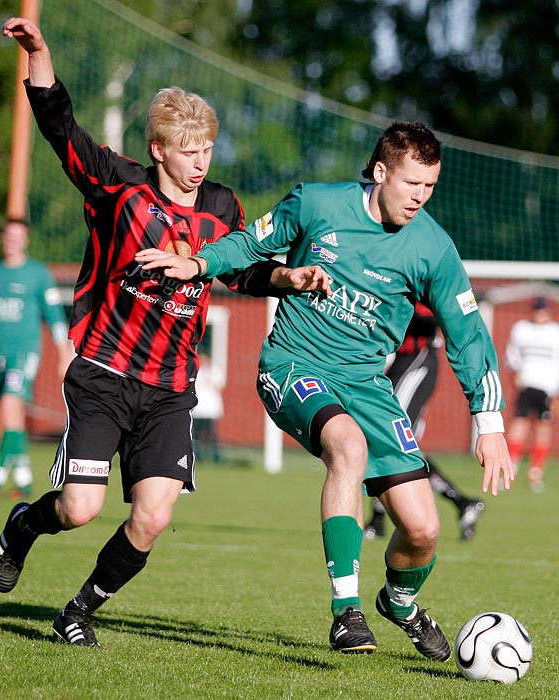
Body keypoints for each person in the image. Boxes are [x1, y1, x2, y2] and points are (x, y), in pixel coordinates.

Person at [0, 17, 328, 649]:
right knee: (79, 510)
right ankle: (21, 529)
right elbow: (58, 126)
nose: (200, 163)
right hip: (105, 374)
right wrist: (40, 53)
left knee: (152, 516)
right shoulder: (119, 185)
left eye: (206, 150)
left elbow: (243, 272)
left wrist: (291, 278)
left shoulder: (222, 207)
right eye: (187, 151)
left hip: (171, 388)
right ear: (158, 149)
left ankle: (78, 611)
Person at [137, 121, 514, 661]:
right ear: (380, 171)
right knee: (349, 448)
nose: (419, 198)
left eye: (429, 187)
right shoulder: (317, 203)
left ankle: (400, 604)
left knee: (424, 529)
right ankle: (346, 611)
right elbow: (248, 243)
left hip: (366, 383)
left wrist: (490, 421)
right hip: (293, 364)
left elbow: (468, 333)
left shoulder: (433, 247)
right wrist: (198, 262)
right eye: (411, 184)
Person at [0, 218, 70, 499]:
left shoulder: (37, 273)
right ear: (2, 239)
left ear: (26, 240)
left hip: (25, 354)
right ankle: (23, 480)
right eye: (9, 236)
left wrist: (63, 354)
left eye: (18, 236)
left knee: (10, 408)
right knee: (11, 418)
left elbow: (54, 316)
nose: (13, 241)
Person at [364, 303, 485, 542]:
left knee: (391, 438)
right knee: (385, 441)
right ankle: (460, 501)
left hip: (418, 360)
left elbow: (435, 315)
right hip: (402, 362)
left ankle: (380, 519)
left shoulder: (419, 282)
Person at [505, 296, 559, 492]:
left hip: (548, 388)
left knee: (543, 427)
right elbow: (512, 355)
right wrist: (514, 375)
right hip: (527, 384)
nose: (539, 314)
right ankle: (511, 467)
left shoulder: (555, 332)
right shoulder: (521, 328)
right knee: (519, 423)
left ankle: (535, 472)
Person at [192, 352, 225, 462]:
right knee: (196, 436)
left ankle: (216, 457)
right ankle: (197, 456)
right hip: (197, 410)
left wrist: (208, 377)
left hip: (210, 411)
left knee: (212, 436)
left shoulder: (214, 371)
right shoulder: (195, 371)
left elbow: (219, 386)